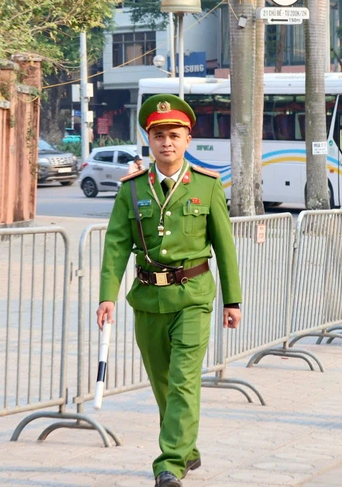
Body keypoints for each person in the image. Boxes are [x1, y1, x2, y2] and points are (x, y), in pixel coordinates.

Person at [96, 94, 242, 487]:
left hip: (193, 296)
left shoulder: (208, 186)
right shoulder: (131, 190)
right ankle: (187, 447)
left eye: (174, 135)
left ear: (188, 139)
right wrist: (107, 295)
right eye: (159, 135)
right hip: (147, 300)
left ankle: (170, 462)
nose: (167, 143)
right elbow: (115, 245)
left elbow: (224, 245)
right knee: (162, 382)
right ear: (149, 139)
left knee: (182, 379)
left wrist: (233, 300)